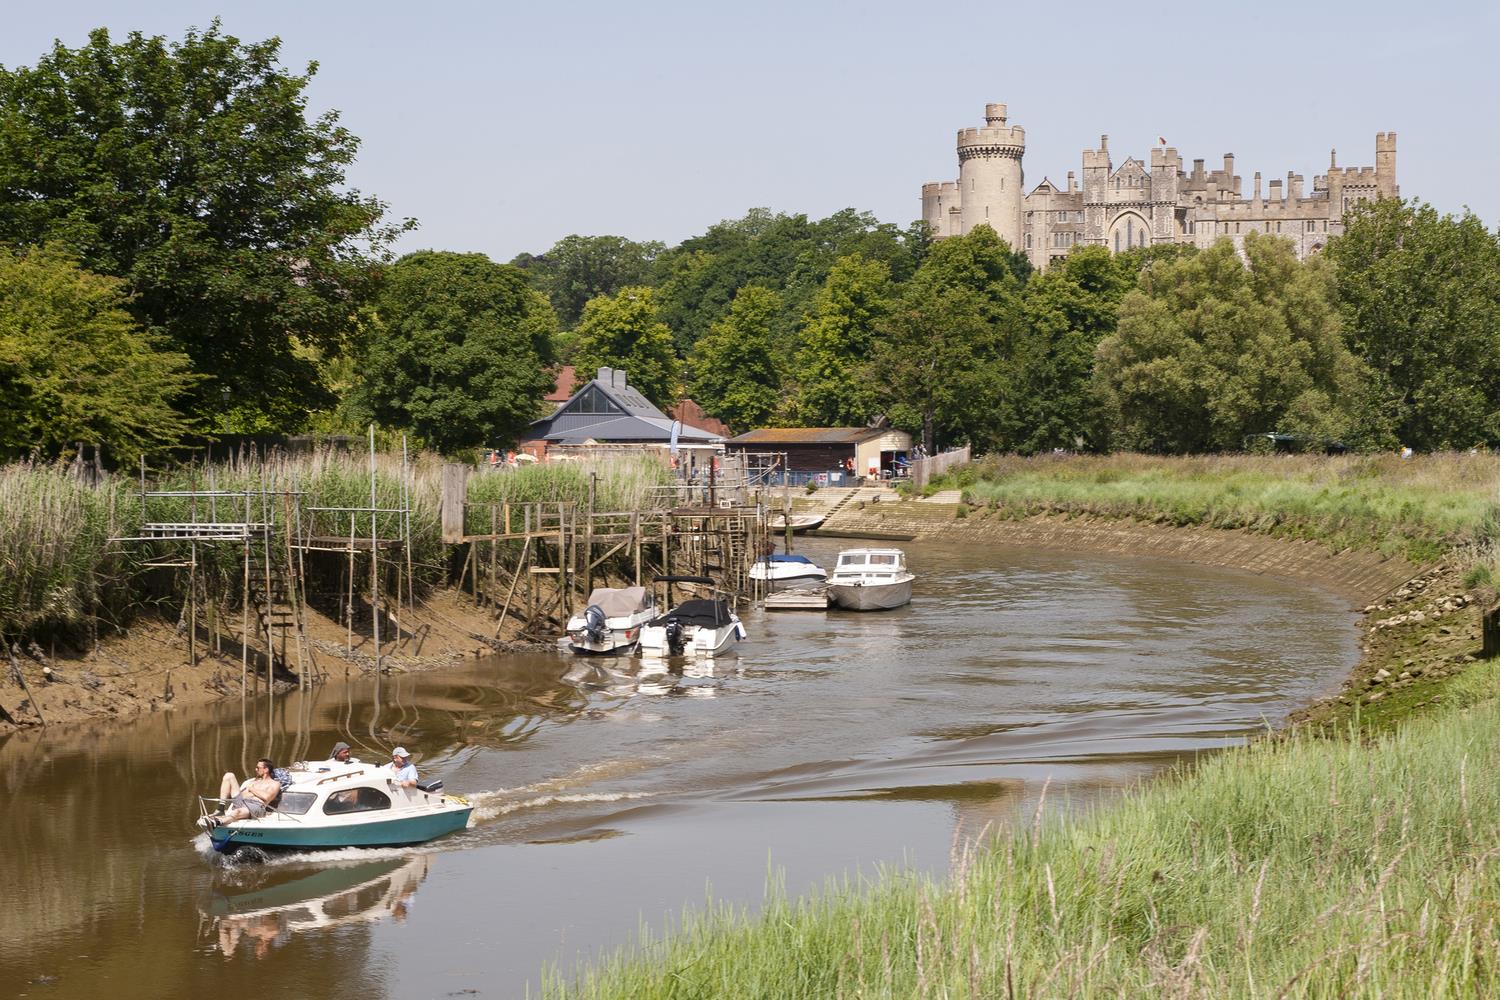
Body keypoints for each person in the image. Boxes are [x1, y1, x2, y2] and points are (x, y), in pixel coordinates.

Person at [200, 758, 281, 829]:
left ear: (266, 769)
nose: (256, 769)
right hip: (242, 801)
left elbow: (267, 797)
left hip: (256, 806)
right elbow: (243, 795)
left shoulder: (274, 784)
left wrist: (251, 789)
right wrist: (252, 793)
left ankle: (217, 822)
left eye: (258, 768)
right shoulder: (254, 781)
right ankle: (220, 809)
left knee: (237, 812)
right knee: (229, 775)